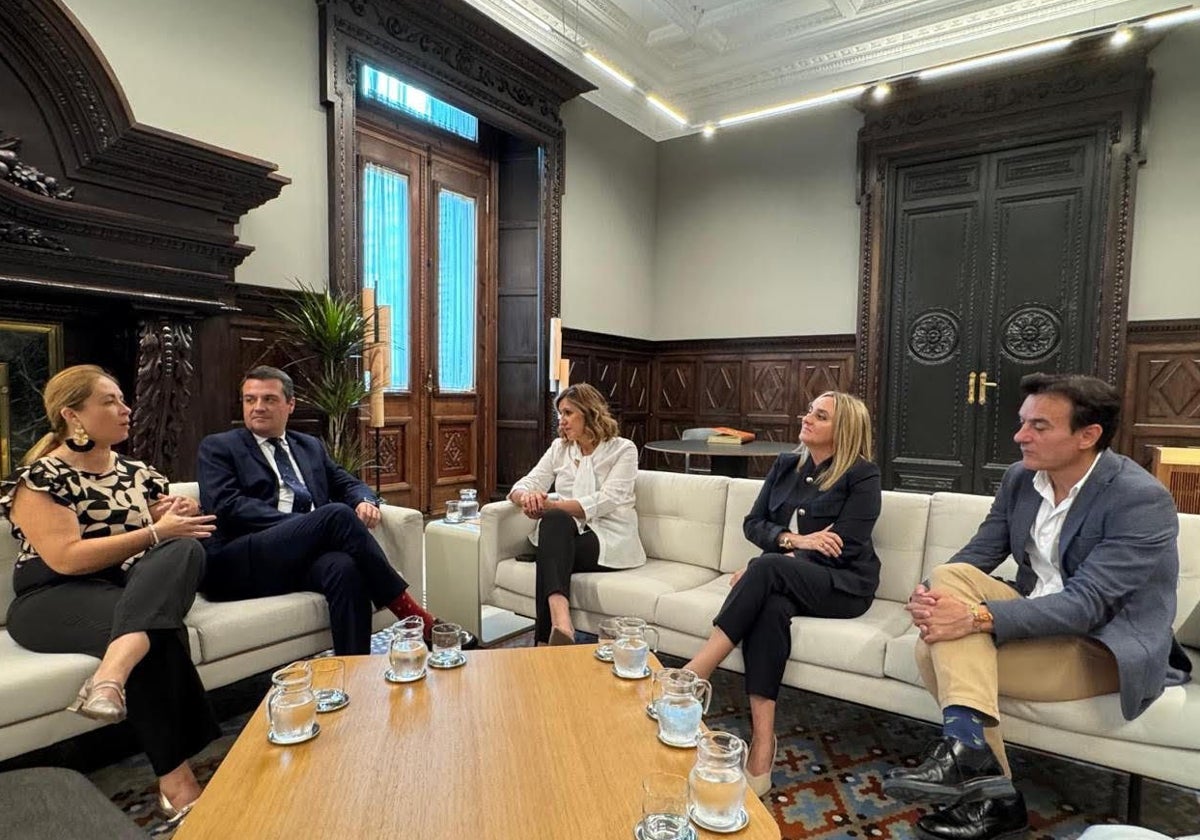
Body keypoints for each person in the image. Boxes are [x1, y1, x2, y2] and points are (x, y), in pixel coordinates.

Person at [883, 373, 1192, 840]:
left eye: (1040, 426)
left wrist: (975, 618)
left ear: (1088, 436)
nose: (1020, 436)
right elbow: (978, 554)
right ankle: (977, 765)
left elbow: (1086, 605)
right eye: (1022, 422)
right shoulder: (1020, 478)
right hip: (1036, 617)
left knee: (932, 651)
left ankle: (986, 785)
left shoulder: (1139, 498)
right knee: (949, 579)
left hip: (1105, 643)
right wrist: (929, 594)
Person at [0, 365, 219, 824]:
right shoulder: (39, 478)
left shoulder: (139, 473)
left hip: (128, 591)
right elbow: (66, 558)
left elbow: (173, 526)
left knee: (185, 548)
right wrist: (155, 533)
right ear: (73, 415)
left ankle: (109, 677)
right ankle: (178, 782)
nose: (126, 409)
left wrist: (180, 511)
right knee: (155, 629)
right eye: (111, 401)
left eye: (123, 399)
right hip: (50, 598)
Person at [681, 390, 882, 797]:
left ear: (842, 431)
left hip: (843, 585)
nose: (806, 417)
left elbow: (841, 546)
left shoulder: (862, 476)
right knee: (770, 607)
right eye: (809, 410)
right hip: (788, 578)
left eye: (820, 415)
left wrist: (768, 566)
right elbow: (753, 523)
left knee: (766, 568)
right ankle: (763, 740)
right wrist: (791, 541)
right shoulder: (787, 464)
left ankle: (694, 675)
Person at [197, 366, 474, 654]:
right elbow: (227, 507)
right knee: (336, 515)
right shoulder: (218, 447)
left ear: (290, 404)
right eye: (250, 399)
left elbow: (348, 483)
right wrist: (306, 526)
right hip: (238, 559)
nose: (258, 407)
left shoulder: (309, 446)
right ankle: (417, 617)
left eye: (269, 399)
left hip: (297, 557)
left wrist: (364, 501)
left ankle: (353, 673)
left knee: (345, 568)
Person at [509, 382, 646, 645]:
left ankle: (544, 639)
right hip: (566, 533)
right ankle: (562, 625)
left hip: (609, 538)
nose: (562, 421)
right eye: (560, 414)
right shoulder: (559, 449)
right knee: (555, 525)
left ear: (589, 412)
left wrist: (549, 504)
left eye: (568, 413)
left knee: (551, 544)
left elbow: (606, 501)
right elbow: (523, 485)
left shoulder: (623, 449)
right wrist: (530, 498)